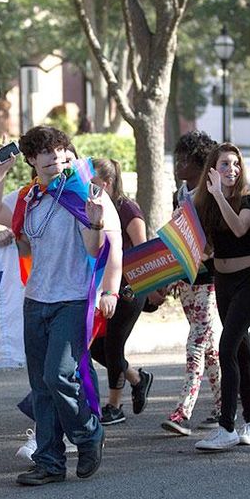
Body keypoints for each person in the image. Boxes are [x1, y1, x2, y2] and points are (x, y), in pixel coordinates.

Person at [0, 125, 122, 486]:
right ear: (31, 161)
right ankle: (49, 461)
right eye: (47, 161)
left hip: (72, 300)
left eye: (61, 157)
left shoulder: (82, 193)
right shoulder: (29, 197)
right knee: (41, 385)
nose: (56, 165)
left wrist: (95, 220)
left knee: (59, 376)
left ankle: (89, 434)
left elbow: (95, 249)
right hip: (35, 300)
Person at [193, 143, 250, 452]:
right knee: (242, 351)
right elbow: (207, 248)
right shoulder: (206, 203)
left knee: (227, 347)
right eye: (224, 164)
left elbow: (239, 229)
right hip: (223, 281)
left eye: (235, 164)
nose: (231, 169)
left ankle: (227, 426)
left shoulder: (248, 198)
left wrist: (220, 194)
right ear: (212, 168)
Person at [158, 130, 222, 436]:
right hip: (186, 280)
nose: (177, 165)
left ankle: (183, 410)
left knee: (196, 342)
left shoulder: (210, 194)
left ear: (199, 163)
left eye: (183, 160)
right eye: (176, 158)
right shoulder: (179, 195)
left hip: (208, 280)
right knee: (208, 346)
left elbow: (215, 241)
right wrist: (172, 273)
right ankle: (224, 404)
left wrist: (203, 256)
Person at [88, 158, 153, 425]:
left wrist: (152, 289)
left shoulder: (129, 210)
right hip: (104, 290)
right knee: (96, 348)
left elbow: (144, 253)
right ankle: (137, 379)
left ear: (107, 183)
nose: (87, 188)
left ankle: (114, 406)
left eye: (92, 183)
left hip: (129, 290)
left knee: (114, 347)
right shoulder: (94, 208)